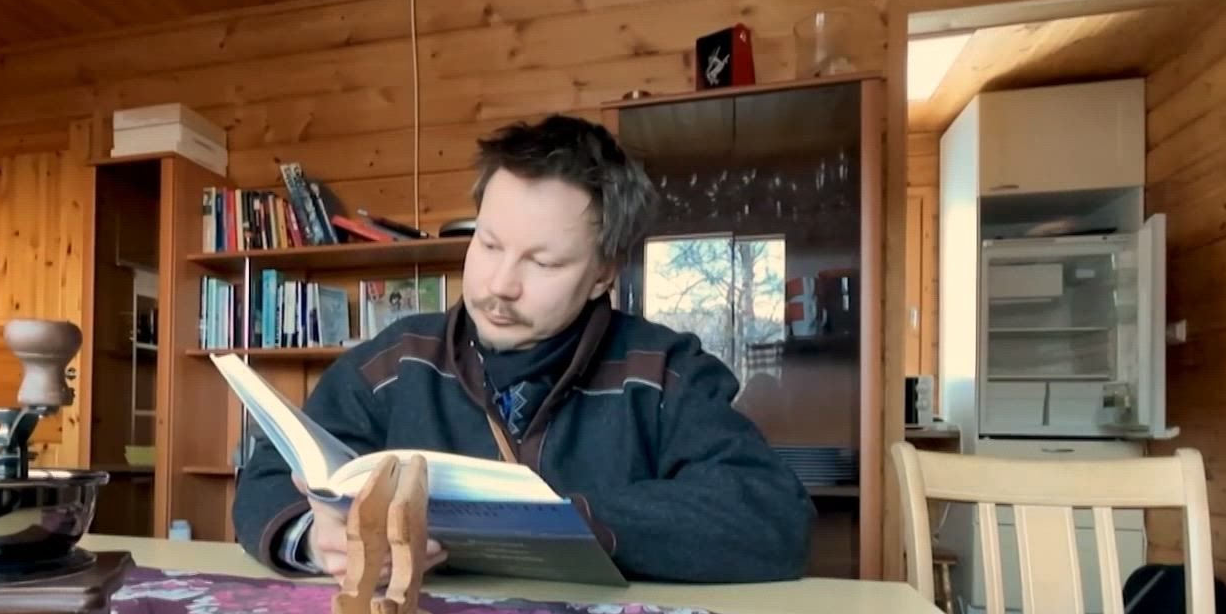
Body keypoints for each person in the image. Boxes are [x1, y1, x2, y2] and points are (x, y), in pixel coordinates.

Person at [232, 114, 815, 584]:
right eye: (488, 245)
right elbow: (269, 476)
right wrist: (315, 539)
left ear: (603, 274)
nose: (500, 284)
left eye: (543, 262)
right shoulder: (397, 359)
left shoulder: (663, 372)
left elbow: (772, 517)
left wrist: (566, 523)